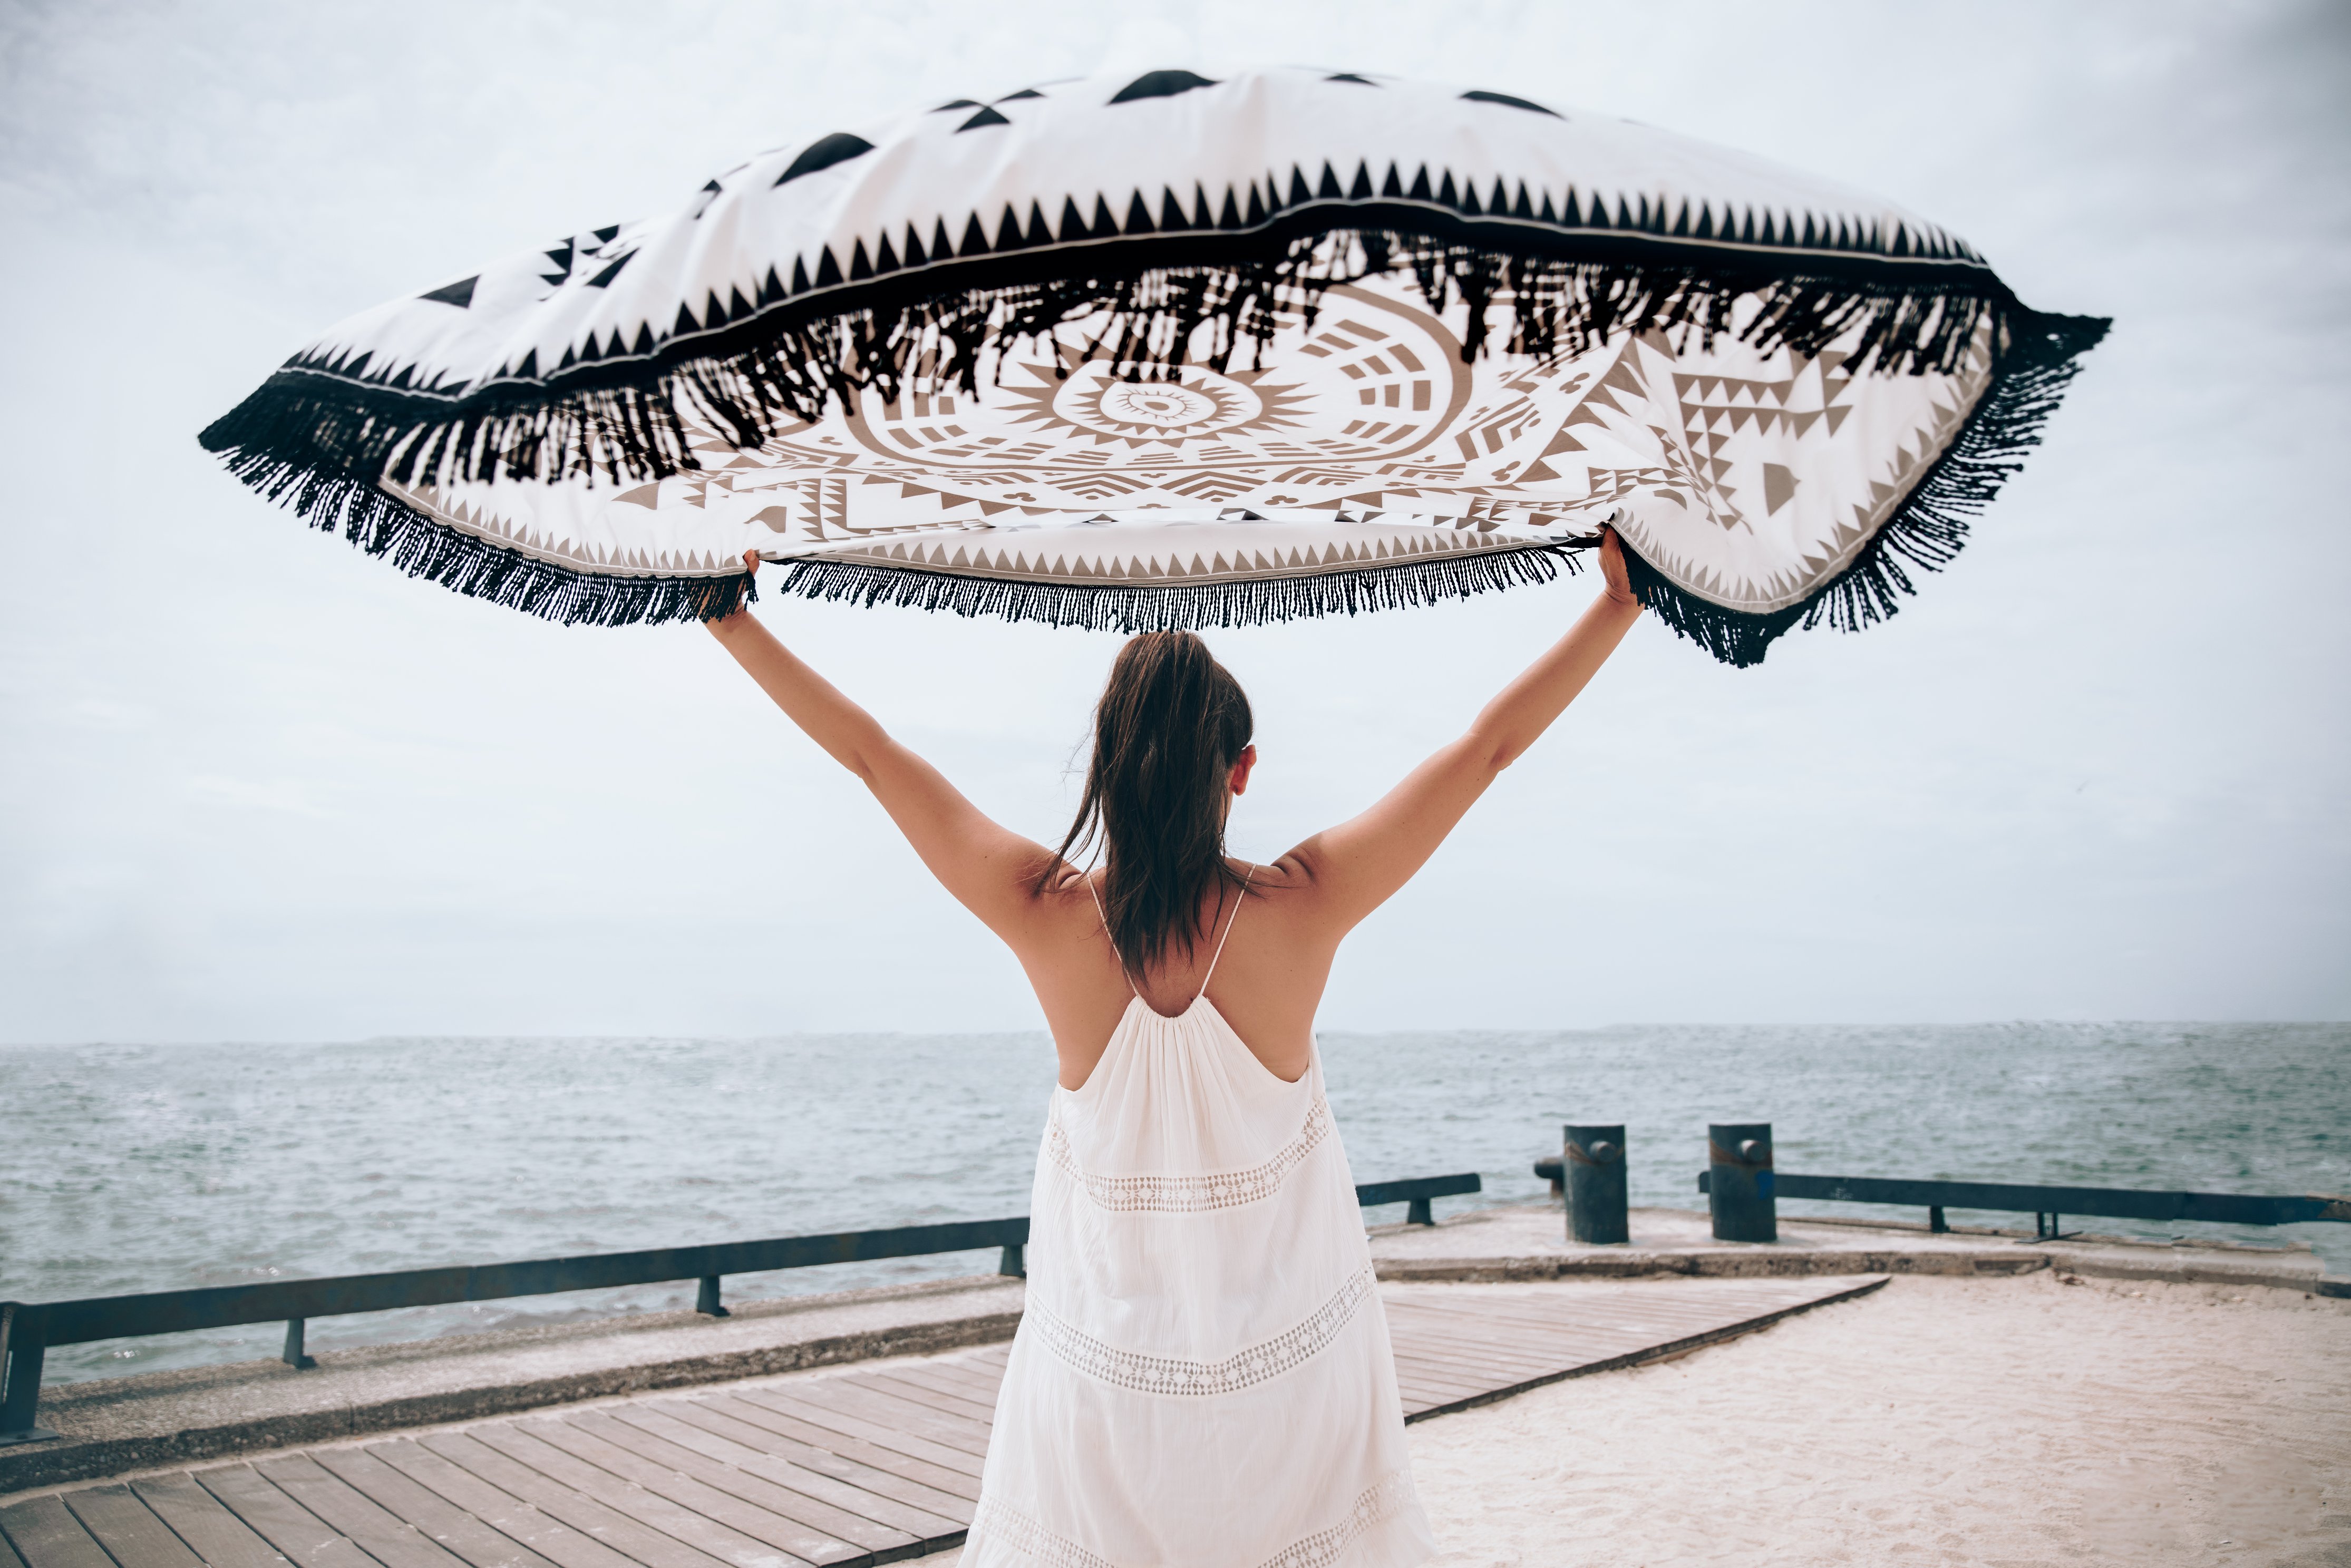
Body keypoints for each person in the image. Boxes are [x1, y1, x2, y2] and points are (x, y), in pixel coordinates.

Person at [708, 531, 1643, 1567]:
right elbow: (1485, 750)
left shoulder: (1044, 913)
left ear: (1105, 764)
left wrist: (729, 619)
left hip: (1106, 1387)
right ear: (1241, 772)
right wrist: (1617, 604)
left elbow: (873, 756)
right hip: (1291, 1386)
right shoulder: (1305, 902)